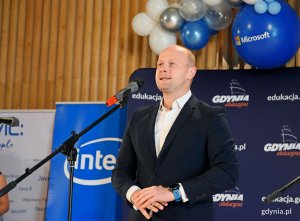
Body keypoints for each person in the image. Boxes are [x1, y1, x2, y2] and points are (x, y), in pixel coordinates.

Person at [112, 44, 239, 221]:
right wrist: (135, 195)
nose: (163, 68)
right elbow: (120, 172)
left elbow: (227, 172)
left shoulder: (211, 117)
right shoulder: (139, 117)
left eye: (172, 64)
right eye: (160, 64)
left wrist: (173, 193)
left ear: (191, 72)